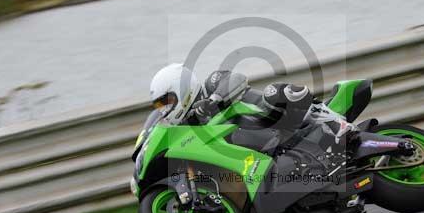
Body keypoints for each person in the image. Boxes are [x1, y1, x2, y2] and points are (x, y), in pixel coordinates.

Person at [136, 63, 355, 150]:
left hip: (277, 120)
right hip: (266, 149)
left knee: (275, 92)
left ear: (181, 87)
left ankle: (334, 122)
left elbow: (237, 78)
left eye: (168, 101)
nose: (165, 109)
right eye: (161, 106)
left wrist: (212, 102)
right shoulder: (188, 125)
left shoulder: (211, 83)